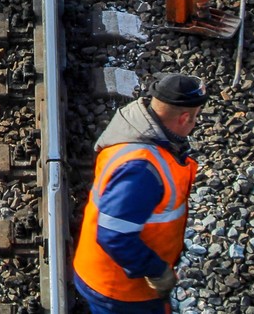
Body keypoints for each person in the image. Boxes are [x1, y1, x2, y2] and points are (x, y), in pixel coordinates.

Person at [73, 74, 208, 314]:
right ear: (185, 117)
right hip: (118, 288)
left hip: (106, 273)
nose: (195, 123)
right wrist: (157, 270)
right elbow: (114, 234)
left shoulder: (135, 129)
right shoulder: (142, 171)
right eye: (195, 117)